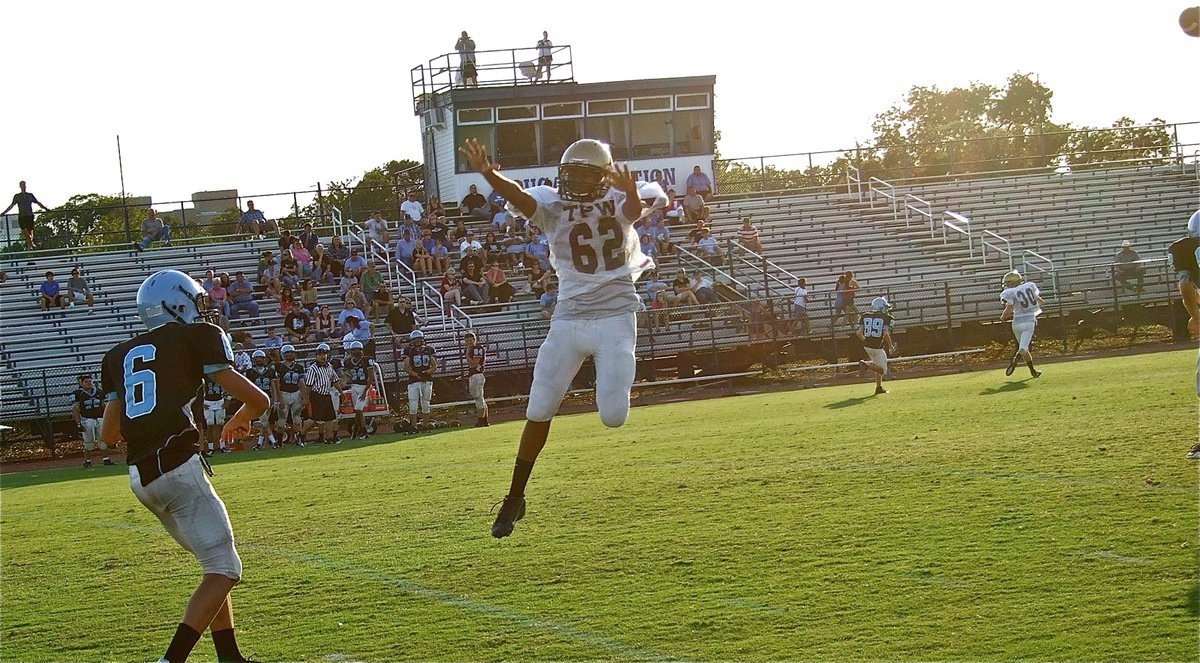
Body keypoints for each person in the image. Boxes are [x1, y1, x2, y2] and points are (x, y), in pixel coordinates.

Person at [459, 136, 665, 538]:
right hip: (569, 317)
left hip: (615, 316)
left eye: (582, 174)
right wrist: (488, 174)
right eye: (569, 173)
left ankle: (615, 379)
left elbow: (632, 209)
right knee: (539, 408)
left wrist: (626, 191)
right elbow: (519, 198)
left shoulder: (621, 197)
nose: (572, 181)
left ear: (603, 177)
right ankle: (514, 497)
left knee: (613, 416)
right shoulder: (553, 207)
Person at [100, 269, 268, 663]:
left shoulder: (118, 355)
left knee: (214, 567)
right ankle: (170, 660)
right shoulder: (198, 336)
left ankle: (230, 656)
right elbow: (258, 399)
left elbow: (108, 434)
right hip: (178, 468)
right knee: (226, 569)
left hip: (142, 478)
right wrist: (242, 417)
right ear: (177, 303)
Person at [999, 270, 1044, 379]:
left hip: (1016, 322)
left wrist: (1002, 317)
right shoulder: (1029, 287)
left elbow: (1009, 308)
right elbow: (1041, 302)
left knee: (1023, 349)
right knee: (1023, 349)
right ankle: (1016, 358)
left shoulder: (1010, 292)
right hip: (1029, 320)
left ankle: (1033, 371)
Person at [301, 343, 343, 445]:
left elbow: (335, 381)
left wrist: (341, 392)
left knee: (330, 417)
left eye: (324, 354)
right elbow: (308, 385)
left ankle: (329, 438)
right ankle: (300, 435)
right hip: (317, 395)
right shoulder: (313, 368)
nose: (323, 356)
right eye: (320, 354)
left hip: (326, 394)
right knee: (315, 418)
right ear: (316, 356)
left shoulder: (329, 366)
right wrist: (306, 398)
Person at [857, 297, 895, 395]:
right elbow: (885, 333)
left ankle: (878, 388)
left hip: (867, 346)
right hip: (877, 347)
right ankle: (866, 365)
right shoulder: (886, 318)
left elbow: (858, 333)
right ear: (881, 307)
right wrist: (890, 345)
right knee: (883, 370)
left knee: (877, 365)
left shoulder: (865, 315)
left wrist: (866, 341)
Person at [72, 374, 112, 468]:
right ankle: (87, 461)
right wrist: (78, 423)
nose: (89, 383)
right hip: (87, 419)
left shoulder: (99, 392)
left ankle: (106, 459)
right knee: (89, 442)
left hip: (99, 418)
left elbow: (104, 406)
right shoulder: (78, 394)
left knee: (103, 440)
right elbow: (75, 410)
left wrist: (108, 418)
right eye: (86, 382)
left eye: (90, 381)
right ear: (81, 383)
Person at [244, 351, 279, 450]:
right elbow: (248, 387)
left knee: (265, 422)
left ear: (264, 359)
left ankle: (259, 444)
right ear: (254, 360)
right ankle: (273, 442)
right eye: (257, 358)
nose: (259, 360)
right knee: (264, 422)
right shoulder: (250, 372)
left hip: (268, 398)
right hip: (257, 399)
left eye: (261, 358)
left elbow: (273, 386)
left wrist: (275, 399)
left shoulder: (270, 371)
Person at [341, 340, 376, 440]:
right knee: (357, 410)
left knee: (358, 410)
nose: (357, 351)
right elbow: (348, 374)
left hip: (363, 386)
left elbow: (370, 377)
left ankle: (363, 431)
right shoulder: (348, 362)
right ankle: (356, 429)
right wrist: (343, 381)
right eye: (355, 350)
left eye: (359, 349)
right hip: (354, 386)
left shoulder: (367, 360)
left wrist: (365, 392)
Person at [404, 330, 437, 431]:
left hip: (426, 380)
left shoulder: (429, 349)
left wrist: (426, 372)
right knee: (413, 403)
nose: (418, 342)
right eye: (416, 340)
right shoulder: (408, 351)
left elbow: (434, 365)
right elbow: (407, 367)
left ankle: (425, 426)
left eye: (420, 340)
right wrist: (417, 375)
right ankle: (414, 427)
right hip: (414, 381)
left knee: (426, 403)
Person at [274, 345, 306, 446]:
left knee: (297, 418)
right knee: (282, 419)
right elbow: (277, 384)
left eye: (291, 352)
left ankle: (298, 439)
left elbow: (301, 383)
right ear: (283, 355)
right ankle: (279, 441)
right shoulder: (279, 367)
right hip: (284, 394)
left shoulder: (299, 367)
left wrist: (305, 396)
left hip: (296, 393)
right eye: (287, 353)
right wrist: (279, 399)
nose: (290, 355)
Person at [2, 181, 49, 250]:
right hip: (22, 216)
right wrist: (4, 212)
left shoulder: (30, 195)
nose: (23, 186)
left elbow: (37, 202)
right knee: (25, 231)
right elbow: (11, 205)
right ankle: (31, 245)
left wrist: (45, 209)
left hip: (29, 215)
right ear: (20, 186)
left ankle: (30, 245)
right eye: (22, 185)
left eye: (24, 185)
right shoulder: (17, 196)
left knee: (30, 231)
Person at [464, 330, 489, 426]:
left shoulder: (477, 349)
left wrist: (467, 356)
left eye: (470, 340)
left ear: (475, 339)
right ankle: (485, 420)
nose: (469, 342)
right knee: (480, 398)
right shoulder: (472, 349)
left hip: (477, 375)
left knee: (478, 398)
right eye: (467, 341)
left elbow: (475, 364)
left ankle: (481, 420)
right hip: (475, 375)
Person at [200, 376, 230, 455]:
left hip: (219, 401)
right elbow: (199, 391)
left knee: (220, 425)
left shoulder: (220, 376)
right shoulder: (205, 378)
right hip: (208, 402)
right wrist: (201, 403)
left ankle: (222, 446)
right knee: (210, 425)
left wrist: (228, 399)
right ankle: (211, 448)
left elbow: (229, 388)